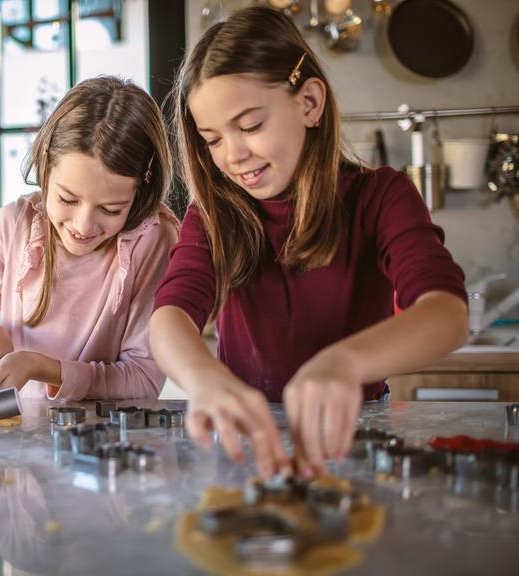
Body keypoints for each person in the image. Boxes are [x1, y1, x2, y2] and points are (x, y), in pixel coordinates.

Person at [149, 6, 468, 480]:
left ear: (310, 103)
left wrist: (344, 362)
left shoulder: (380, 196)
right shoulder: (213, 214)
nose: (233, 155)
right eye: (213, 139)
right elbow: (169, 317)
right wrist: (204, 379)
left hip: (358, 433)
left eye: (251, 126)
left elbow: (447, 314)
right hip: (247, 437)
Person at [0, 76, 179, 401]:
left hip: (110, 443)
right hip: (21, 436)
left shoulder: (153, 241)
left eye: (110, 209)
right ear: (45, 169)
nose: (83, 225)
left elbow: (143, 380)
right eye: (67, 199)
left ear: (141, 192)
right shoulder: (13, 225)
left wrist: (38, 366)